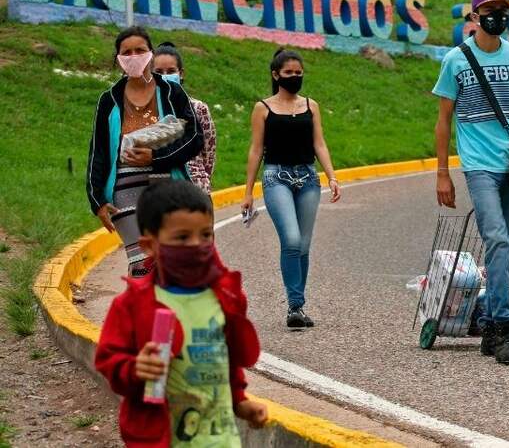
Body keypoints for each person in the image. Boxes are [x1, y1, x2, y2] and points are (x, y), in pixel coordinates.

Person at [94, 179, 267, 447]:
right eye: (182, 237)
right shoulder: (134, 304)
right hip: (164, 438)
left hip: (222, 440)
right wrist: (135, 369)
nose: (197, 245)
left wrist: (240, 402)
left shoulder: (220, 297)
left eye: (206, 235)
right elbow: (108, 360)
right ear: (149, 246)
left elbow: (224, 361)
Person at [433, 0, 509, 364]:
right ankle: (504, 328)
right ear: (475, 16)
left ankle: (486, 316)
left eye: (503, 9)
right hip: (478, 167)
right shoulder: (456, 60)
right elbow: (443, 121)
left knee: (506, 244)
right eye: (489, 9)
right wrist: (443, 173)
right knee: (498, 241)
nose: (498, 15)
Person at [87, 26, 202, 277]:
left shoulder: (171, 92)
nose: (133, 56)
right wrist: (97, 201)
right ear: (118, 60)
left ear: (151, 53)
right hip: (123, 191)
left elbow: (195, 138)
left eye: (140, 50)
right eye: (126, 52)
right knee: (143, 266)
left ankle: (166, 314)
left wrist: (155, 157)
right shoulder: (109, 99)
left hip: (164, 183)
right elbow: (98, 152)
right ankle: (143, 312)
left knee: (171, 262)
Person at [241, 49, 341, 330]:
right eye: (289, 73)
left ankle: (297, 307)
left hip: (308, 177)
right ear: (276, 75)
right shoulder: (263, 108)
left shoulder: (311, 105)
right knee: (293, 240)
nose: (295, 77)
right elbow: (256, 149)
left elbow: (319, 143)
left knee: (305, 245)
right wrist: (248, 192)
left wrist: (332, 176)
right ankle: (295, 304)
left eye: (298, 73)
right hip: (276, 178)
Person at [152, 42, 217, 193]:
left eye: (171, 71)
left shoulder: (198, 108)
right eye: (159, 71)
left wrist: (203, 177)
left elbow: (209, 149)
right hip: (160, 187)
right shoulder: (148, 111)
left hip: (195, 186)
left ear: (181, 74)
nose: (165, 76)